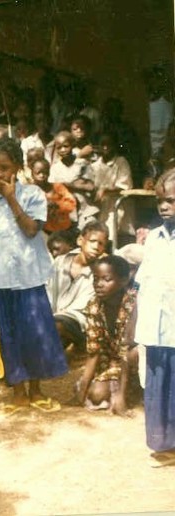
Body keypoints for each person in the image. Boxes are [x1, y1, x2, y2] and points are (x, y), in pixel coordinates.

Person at [0, 139, 69, 417]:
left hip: (28, 278)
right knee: (9, 337)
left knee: (34, 333)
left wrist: (12, 197)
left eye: (5, 167)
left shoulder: (33, 195)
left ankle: (36, 391)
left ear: (17, 167)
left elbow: (30, 230)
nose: (0, 174)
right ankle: (18, 394)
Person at [135, 169, 175, 466]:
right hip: (157, 327)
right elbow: (143, 283)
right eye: (161, 200)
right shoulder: (155, 239)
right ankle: (164, 443)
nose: (164, 206)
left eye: (171, 201)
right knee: (160, 381)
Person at [72, 255, 136, 414]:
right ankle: (125, 388)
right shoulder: (94, 306)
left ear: (123, 280)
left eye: (106, 279)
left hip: (135, 359)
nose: (99, 284)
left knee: (135, 353)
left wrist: (120, 396)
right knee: (96, 395)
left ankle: (129, 390)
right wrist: (83, 390)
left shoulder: (133, 304)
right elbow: (94, 351)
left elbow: (127, 351)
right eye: (95, 279)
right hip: (114, 361)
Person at [47, 221, 109, 352]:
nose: (96, 246)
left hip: (80, 323)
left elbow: (82, 310)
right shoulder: (60, 262)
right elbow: (48, 291)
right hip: (53, 315)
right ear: (80, 240)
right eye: (92, 241)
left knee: (55, 327)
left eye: (101, 244)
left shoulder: (101, 272)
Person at [30, 158, 76, 234]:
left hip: (64, 227)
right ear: (32, 173)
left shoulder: (57, 187)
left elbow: (71, 203)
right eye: (38, 173)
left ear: (49, 173)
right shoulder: (30, 192)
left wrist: (58, 205)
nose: (42, 175)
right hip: (45, 230)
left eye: (45, 172)